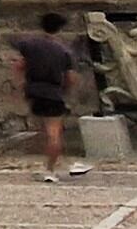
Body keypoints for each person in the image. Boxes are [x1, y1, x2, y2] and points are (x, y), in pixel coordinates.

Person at [9, 12, 92, 182]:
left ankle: (63, 163)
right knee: (54, 133)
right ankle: (50, 169)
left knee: (46, 132)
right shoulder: (63, 51)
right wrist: (68, 92)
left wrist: (22, 86)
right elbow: (70, 78)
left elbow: (19, 66)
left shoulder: (30, 45)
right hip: (52, 92)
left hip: (34, 90)